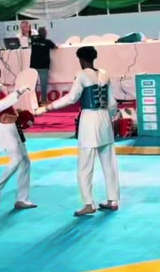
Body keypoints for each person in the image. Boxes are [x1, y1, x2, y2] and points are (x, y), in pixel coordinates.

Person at [49, 46, 120, 216]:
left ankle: (89, 203)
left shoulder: (82, 75)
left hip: (89, 120)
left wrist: (48, 107)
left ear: (81, 60)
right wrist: (108, 117)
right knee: (109, 164)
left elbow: (71, 98)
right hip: (104, 119)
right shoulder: (105, 74)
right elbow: (112, 103)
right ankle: (113, 200)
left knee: (85, 166)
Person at [0, 57, 36, 212]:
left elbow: (2, 106)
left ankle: (22, 199)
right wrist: (18, 93)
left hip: (11, 124)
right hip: (2, 126)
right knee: (17, 158)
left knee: (25, 160)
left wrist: (16, 112)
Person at [30, 25, 56, 107]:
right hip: (43, 66)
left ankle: (33, 101)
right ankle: (43, 100)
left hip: (33, 65)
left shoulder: (33, 41)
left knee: (33, 84)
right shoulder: (47, 42)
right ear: (45, 33)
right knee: (43, 84)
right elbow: (55, 47)